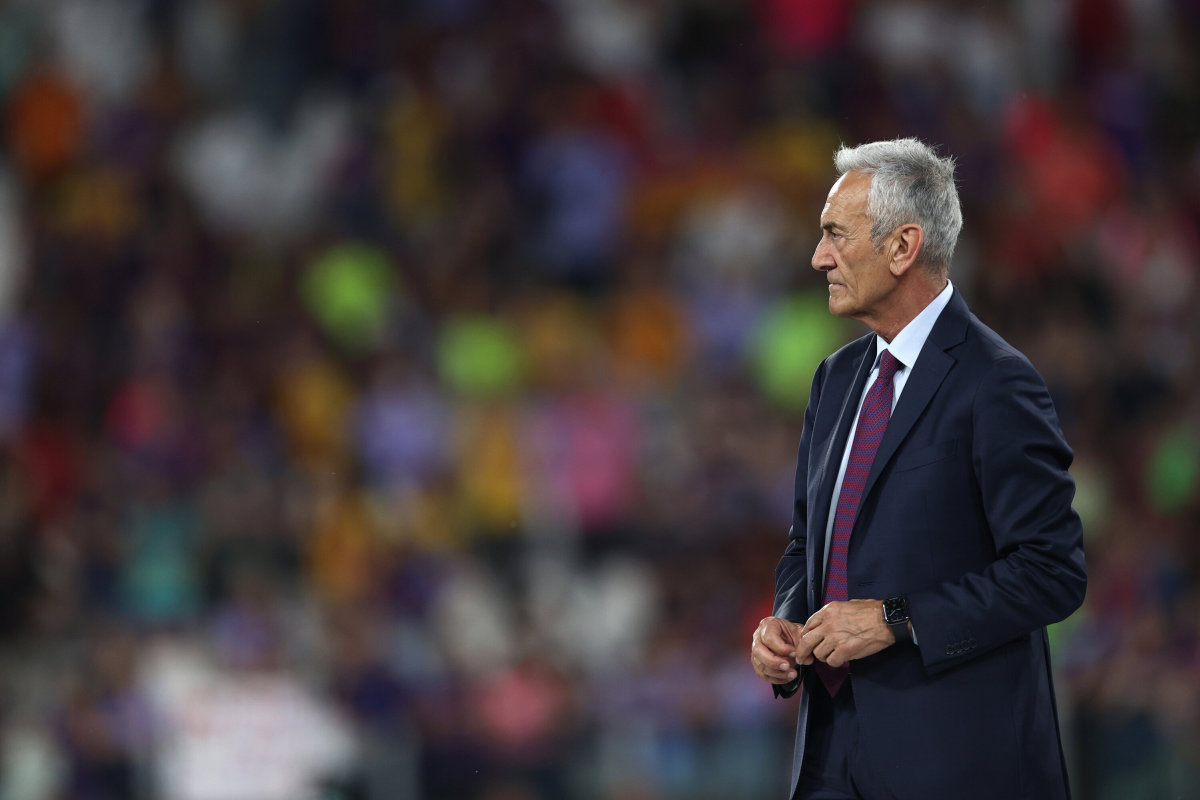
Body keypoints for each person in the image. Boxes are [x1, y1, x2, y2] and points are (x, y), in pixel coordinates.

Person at [749, 138, 1086, 800]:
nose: (818, 257)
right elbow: (807, 543)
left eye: (836, 235)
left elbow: (1052, 571)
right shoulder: (835, 379)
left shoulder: (996, 382)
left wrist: (895, 619)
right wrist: (787, 620)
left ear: (903, 247)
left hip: (955, 762)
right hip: (829, 756)